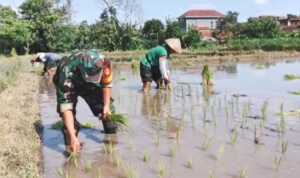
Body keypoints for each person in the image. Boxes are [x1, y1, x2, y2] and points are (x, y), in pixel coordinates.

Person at [53, 49, 116, 153]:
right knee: (70, 128)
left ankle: (111, 147)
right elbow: (66, 106)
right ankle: (71, 147)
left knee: (109, 115)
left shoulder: (104, 64)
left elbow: (106, 84)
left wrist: (106, 106)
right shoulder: (66, 71)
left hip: (90, 87)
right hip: (71, 82)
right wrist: (73, 136)